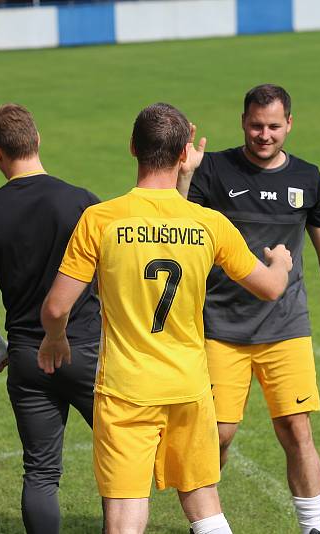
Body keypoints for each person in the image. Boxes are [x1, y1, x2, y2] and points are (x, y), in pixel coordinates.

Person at [39, 102, 292, 534]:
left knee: (125, 510)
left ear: (132, 147)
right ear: (182, 156)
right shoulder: (209, 223)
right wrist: (282, 264)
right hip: (190, 386)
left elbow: (57, 307)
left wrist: (55, 339)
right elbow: (268, 288)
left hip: (126, 389)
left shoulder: (101, 219)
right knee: (203, 502)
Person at [177, 84, 320, 534]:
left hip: (286, 326)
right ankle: (207, 524)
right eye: (256, 125)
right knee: (217, 436)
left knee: (297, 430)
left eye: (274, 126)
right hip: (220, 327)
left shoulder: (309, 178)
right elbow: (176, 227)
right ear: (243, 121)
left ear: (289, 124)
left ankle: (312, 527)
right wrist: (185, 177)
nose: (264, 134)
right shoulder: (213, 169)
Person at [0, 103, 101, 534]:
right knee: (123, 455)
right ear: (37, 140)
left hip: (27, 359)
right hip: (87, 352)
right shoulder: (82, 202)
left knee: (40, 472)